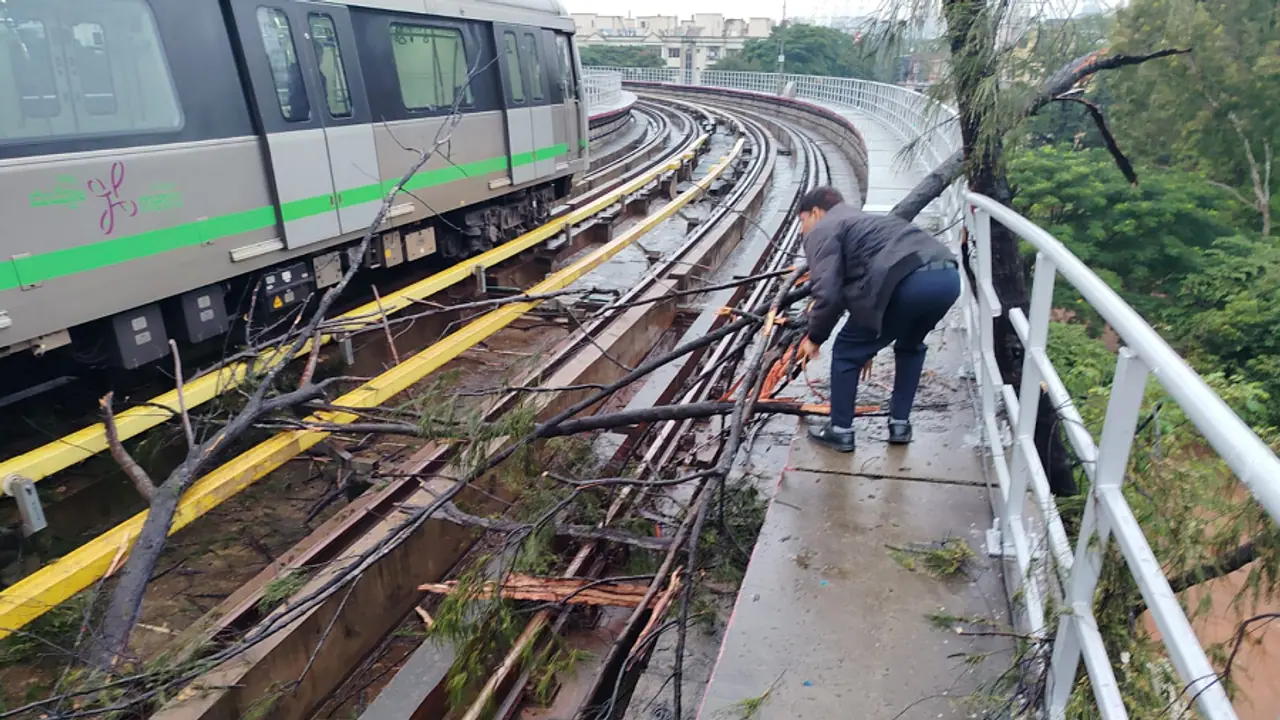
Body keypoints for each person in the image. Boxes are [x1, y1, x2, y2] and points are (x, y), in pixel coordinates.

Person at [794, 186, 961, 453]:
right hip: (947, 278)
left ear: (815, 212)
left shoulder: (824, 228)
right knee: (910, 346)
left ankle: (840, 431)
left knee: (847, 351)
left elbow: (828, 293)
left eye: (802, 221)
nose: (803, 230)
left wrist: (815, 337)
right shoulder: (866, 221)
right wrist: (870, 337)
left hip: (908, 281)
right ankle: (900, 425)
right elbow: (862, 281)